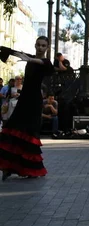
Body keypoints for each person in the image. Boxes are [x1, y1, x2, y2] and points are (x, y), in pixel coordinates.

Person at [0, 37, 55, 180]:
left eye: (43, 46)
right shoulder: (30, 58)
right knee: (14, 128)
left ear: (47, 48)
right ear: (35, 45)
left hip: (34, 101)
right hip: (24, 99)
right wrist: (10, 51)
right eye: (38, 45)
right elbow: (20, 54)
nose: (40, 48)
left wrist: (29, 59)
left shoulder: (46, 62)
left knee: (30, 132)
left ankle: (30, 169)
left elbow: (41, 62)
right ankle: (8, 167)